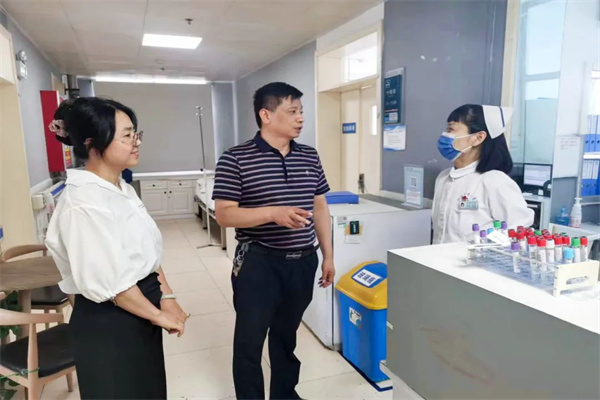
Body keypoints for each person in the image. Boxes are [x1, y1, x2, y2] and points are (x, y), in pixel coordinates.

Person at [45, 97, 188, 400]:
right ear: (92, 143)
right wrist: (158, 315)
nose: (137, 142)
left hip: (139, 308)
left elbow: (147, 254)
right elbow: (113, 284)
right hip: (111, 321)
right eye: (126, 135)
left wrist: (167, 296)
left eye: (136, 133)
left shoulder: (120, 188)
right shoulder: (83, 203)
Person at [212, 82, 335, 400]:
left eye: (301, 111)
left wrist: (328, 256)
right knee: (249, 342)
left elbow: (320, 207)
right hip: (259, 263)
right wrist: (271, 213)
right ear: (266, 115)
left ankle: (285, 394)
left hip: (303, 261)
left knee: (286, 336)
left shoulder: (309, 156)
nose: (300, 118)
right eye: (292, 111)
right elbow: (224, 214)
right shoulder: (235, 158)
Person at [432, 104, 534, 244]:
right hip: (438, 256)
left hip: (475, 258)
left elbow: (519, 228)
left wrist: (487, 248)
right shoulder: (443, 178)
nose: (444, 135)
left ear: (478, 137)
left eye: (451, 129)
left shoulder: (494, 181)